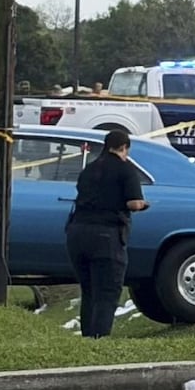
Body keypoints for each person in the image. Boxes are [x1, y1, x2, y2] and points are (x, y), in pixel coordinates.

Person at [65, 129, 149, 338]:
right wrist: (144, 205)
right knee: (107, 293)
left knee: (89, 291)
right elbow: (133, 203)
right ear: (124, 147)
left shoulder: (90, 169)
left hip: (77, 233)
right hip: (107, 236)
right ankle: (100, 339)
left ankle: (87, 338)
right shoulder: (125, 169)